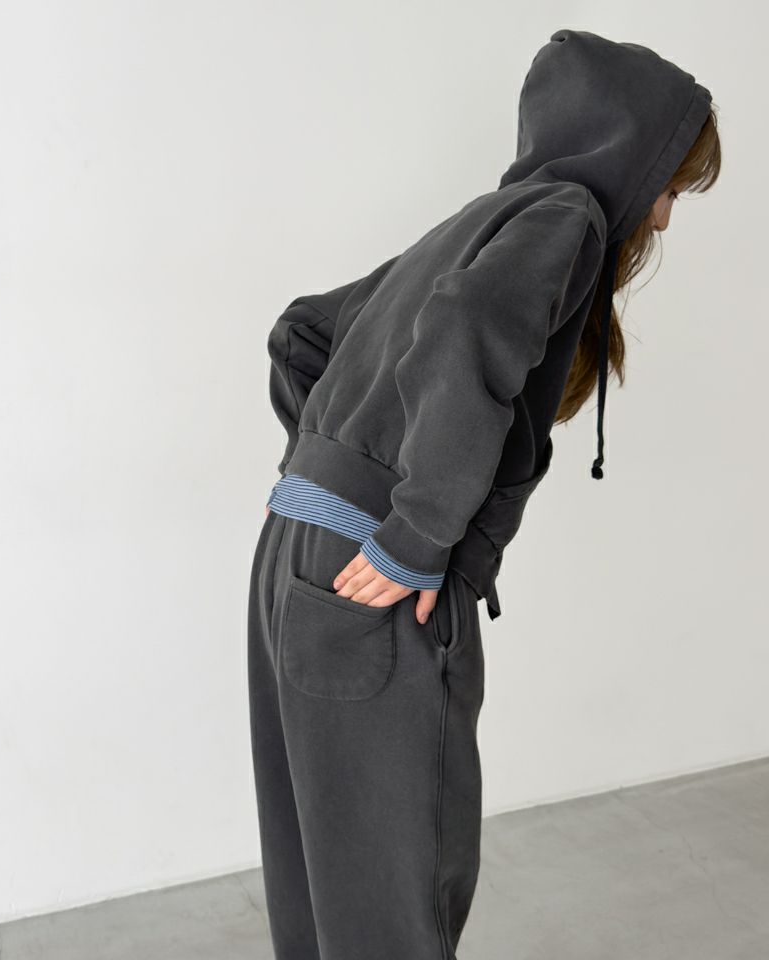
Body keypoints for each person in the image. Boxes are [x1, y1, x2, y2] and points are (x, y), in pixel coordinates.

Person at [247, 27, 721, 960]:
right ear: (628, 158)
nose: (664, 219)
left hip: (293, 555)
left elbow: (302, 335)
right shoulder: (569, 216)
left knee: (322, 884)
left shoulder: (475, 223)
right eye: (670, 187)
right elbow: (464, 329)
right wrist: (414, 532)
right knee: (392, 897)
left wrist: (325, 478)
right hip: (372, 569)